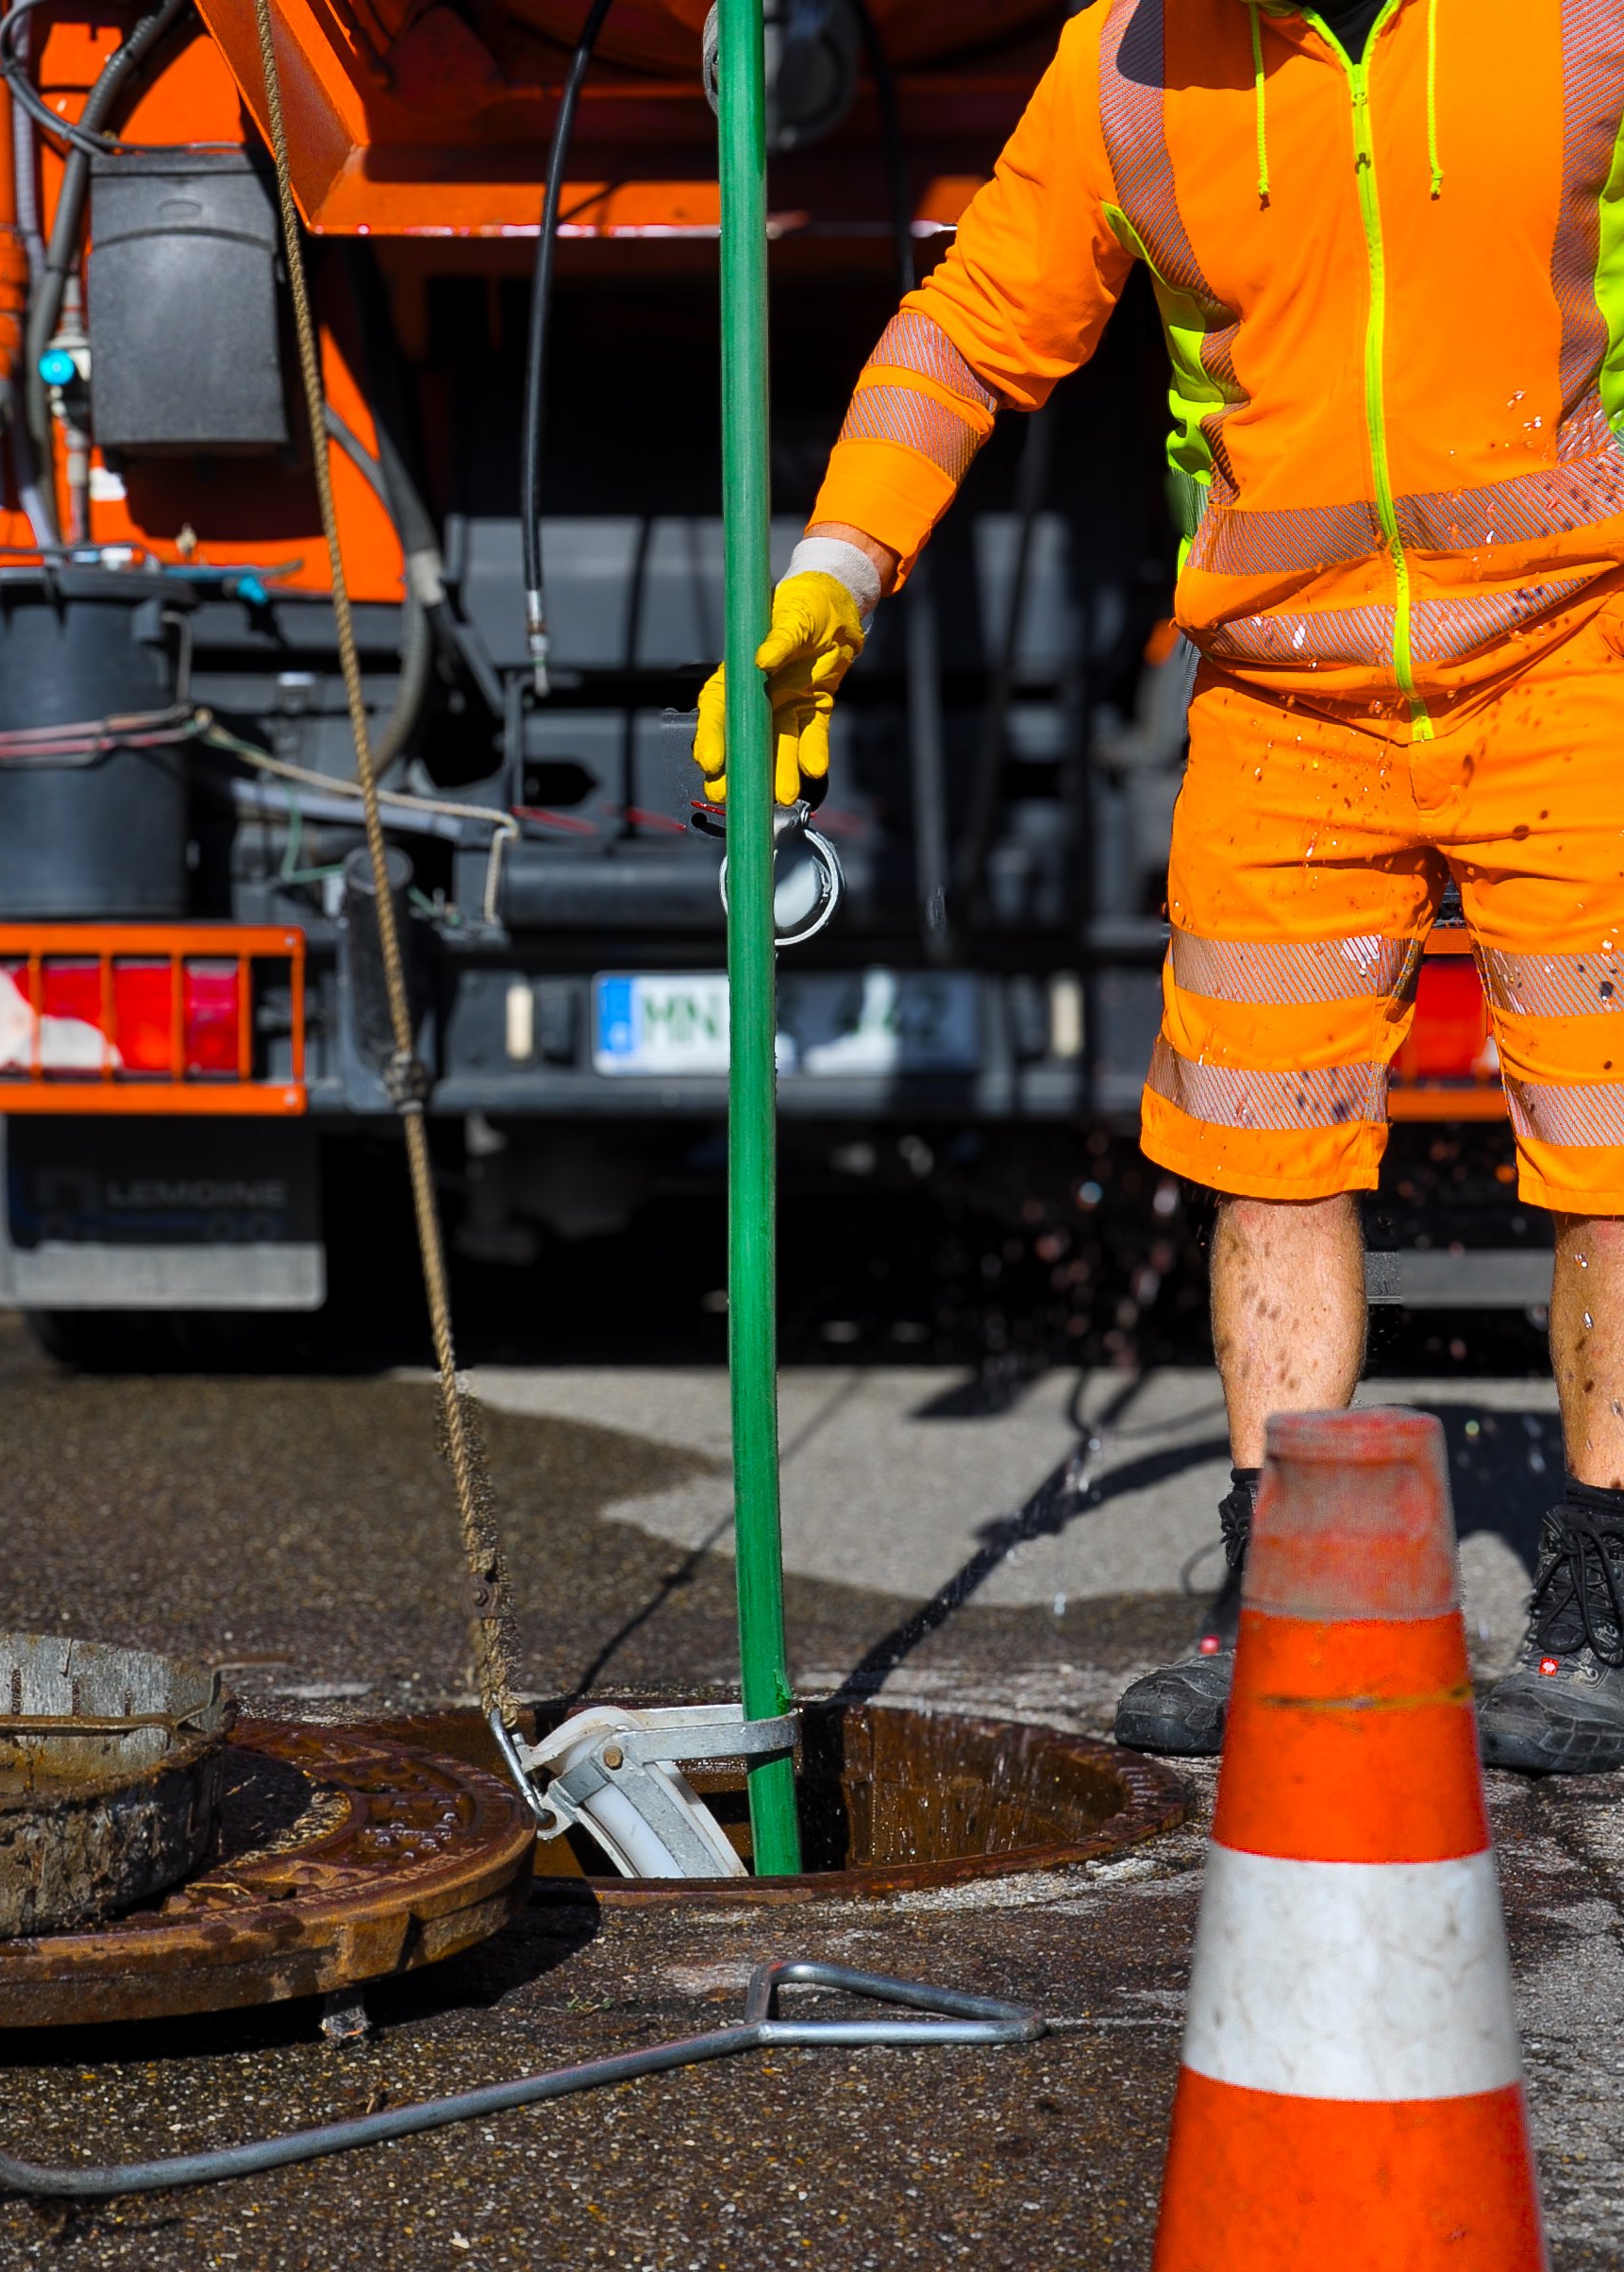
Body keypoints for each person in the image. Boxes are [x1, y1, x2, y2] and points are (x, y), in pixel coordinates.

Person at [695, 0, 1624, 1771]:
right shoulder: (1127, 60)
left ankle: (1607, 1596)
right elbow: (969, 326)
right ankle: (1284, 1592)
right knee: (1258, 1150)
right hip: (1282, 700)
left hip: (1580, 656)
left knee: (1613, 1147)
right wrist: (835, 565)